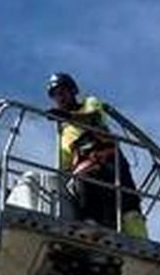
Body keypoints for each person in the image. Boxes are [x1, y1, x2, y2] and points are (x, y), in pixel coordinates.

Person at [45, 72, 147, 238]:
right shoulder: (63, 135)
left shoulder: (89, 103)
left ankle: (140, 240)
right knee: (85, 186)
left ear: (73, 91)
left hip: (112, 165)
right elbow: (64, 167)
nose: (60, 97)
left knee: (130, 208)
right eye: (56, 95)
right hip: (88, 174)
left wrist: (68, 117)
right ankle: (91, 227)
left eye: (63, 91)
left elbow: (93, 118)